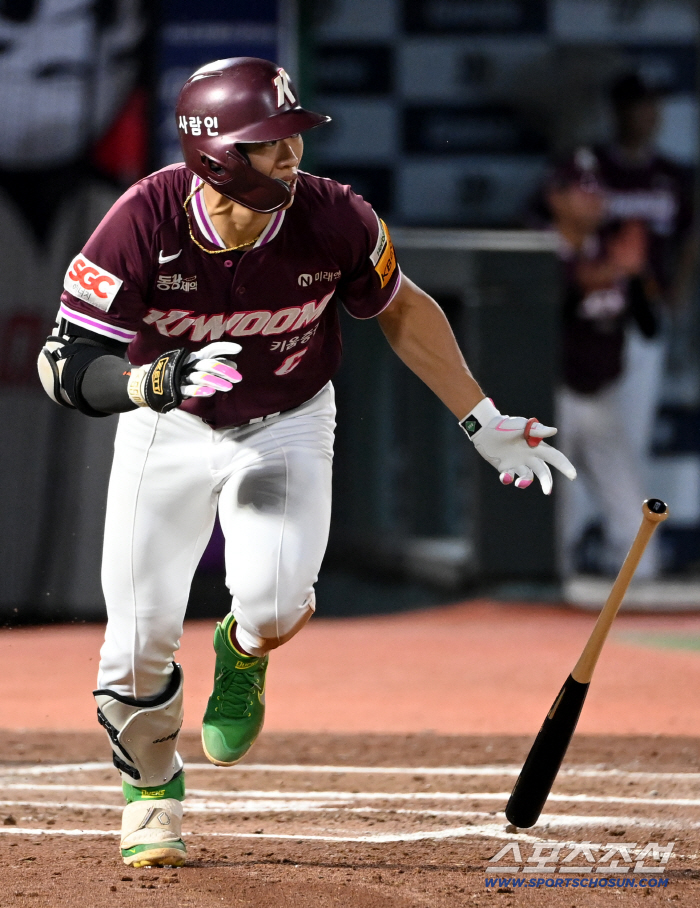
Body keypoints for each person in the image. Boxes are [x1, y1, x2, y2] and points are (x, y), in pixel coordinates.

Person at [37, 57, 576, 868]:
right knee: (138, 639)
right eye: (271, 143)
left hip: (286, 420)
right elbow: (63, 365)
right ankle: (152, 791)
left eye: (293, 138)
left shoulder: (335, 217)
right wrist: (151, 379)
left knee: (278, 605)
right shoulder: (142, 218)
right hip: (167, 428)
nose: (292, 157)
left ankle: (242, 650)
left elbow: (402, 309)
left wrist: (482, 416)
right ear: (216, 154)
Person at [580, 73, 696, 479]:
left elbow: (689, 235)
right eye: (639, 106)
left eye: (653, 106)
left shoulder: (671, 174)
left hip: (644, 314)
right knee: (578, 432)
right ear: (617, 111)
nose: (649, 116)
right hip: (588, 316)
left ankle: (624, 537)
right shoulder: (587, 167)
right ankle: (575, 534)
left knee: (632, 432)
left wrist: (677, 291)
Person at [546, 155, 655, 576]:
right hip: (553, 401)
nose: (593, 201)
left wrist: (638, 275)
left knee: (633, 517)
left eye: (597, 192)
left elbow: (648, 325)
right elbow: (554, 307)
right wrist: (611, 272)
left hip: (604, 397)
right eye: (582, 191)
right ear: (556, 198)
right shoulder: (541, 249)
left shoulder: (612, 250)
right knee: (553, 517)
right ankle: (535, 614)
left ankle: (635, 607)